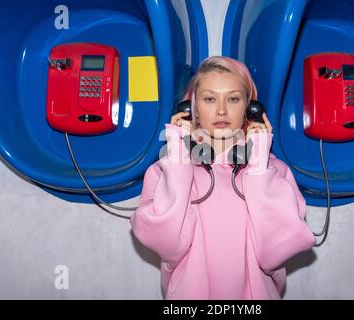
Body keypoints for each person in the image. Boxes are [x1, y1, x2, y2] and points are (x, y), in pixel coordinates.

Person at [130, 56, 315, 300]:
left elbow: (272, 254)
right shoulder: (165, 171)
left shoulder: (273, 171)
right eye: (209, 99)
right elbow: (169, 246)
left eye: (233, 99)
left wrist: (259, 167)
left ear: (250, 108)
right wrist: (178, 160)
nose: (221, 110)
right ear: (192, 108)